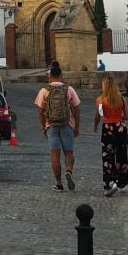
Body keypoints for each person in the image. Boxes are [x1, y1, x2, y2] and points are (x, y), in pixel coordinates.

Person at [35, 62, 81, 191]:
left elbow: (40, 111)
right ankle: (69, 170)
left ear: (50, 76)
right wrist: (77, 126)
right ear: (60, 75)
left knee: (55, 155)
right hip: (67, 124)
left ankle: (59, 183)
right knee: (69, 152)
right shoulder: (69, 89)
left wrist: (43, 126)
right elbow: (77, 108)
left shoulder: (44, 90)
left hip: (51, 126)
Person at [94, 75, 128, 196]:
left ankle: (110, 182)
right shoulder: (122, 99)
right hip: (120, 128)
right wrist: (118, 118)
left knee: (107, 156)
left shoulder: (100, 100)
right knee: (122, 155)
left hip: (108, 128)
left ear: (105, 86)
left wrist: (96, 125)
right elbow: (127, 116)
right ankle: (122, 182)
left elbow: (99, 115)